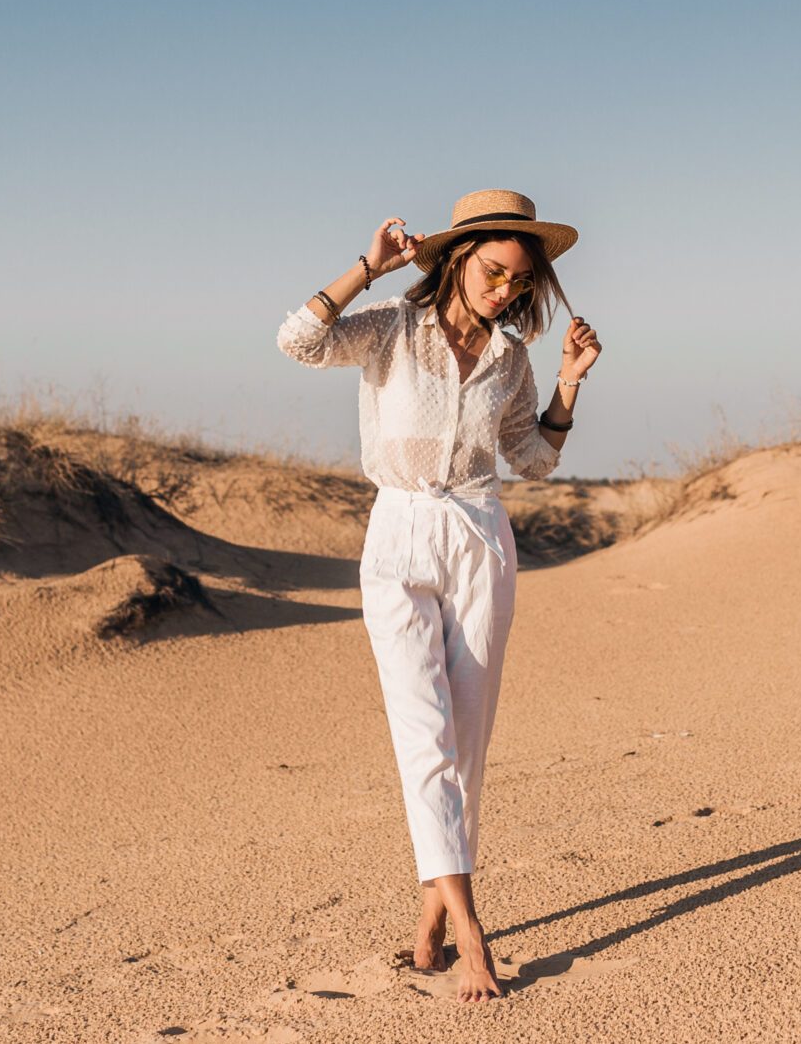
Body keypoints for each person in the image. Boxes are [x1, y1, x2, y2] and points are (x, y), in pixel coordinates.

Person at [275, 188, 602, 1003]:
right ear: (458, 257)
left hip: (481, 536)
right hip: (398, 534)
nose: (505, 292)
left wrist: (568, 382)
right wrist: (365, 268)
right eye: (494, 273)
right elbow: (298, 342)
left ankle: (430, 916)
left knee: (466, 744)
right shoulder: (389, 327)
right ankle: (469, 929)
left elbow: (531, 459)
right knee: (422, 733)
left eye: (520, 283)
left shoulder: (509, 356)